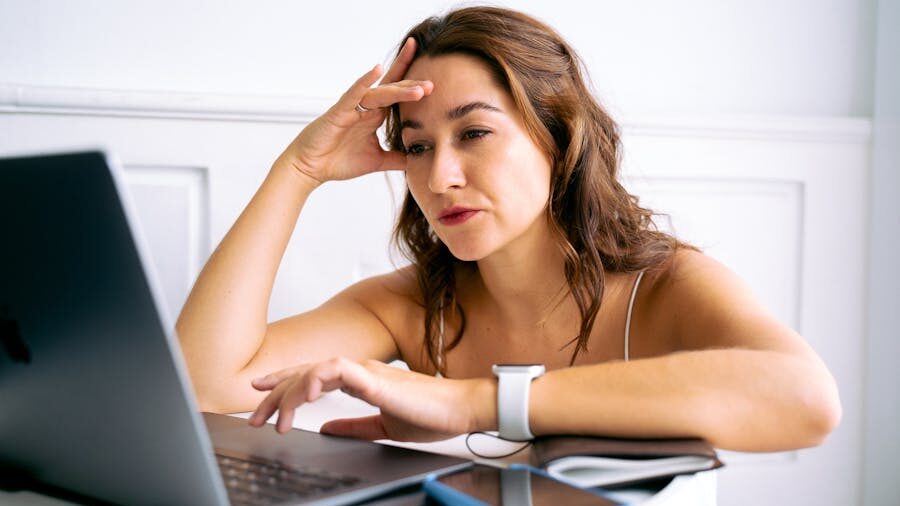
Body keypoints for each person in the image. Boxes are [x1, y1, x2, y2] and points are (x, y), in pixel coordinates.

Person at [176, 6, 841, 452]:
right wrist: (297, 170)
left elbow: (807, 398)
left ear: (559, 136)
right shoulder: (411, 304)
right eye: (415, 146)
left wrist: (474, 403)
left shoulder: (663, 288)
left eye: (474, 133)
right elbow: (205, 383)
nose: (439, 179)